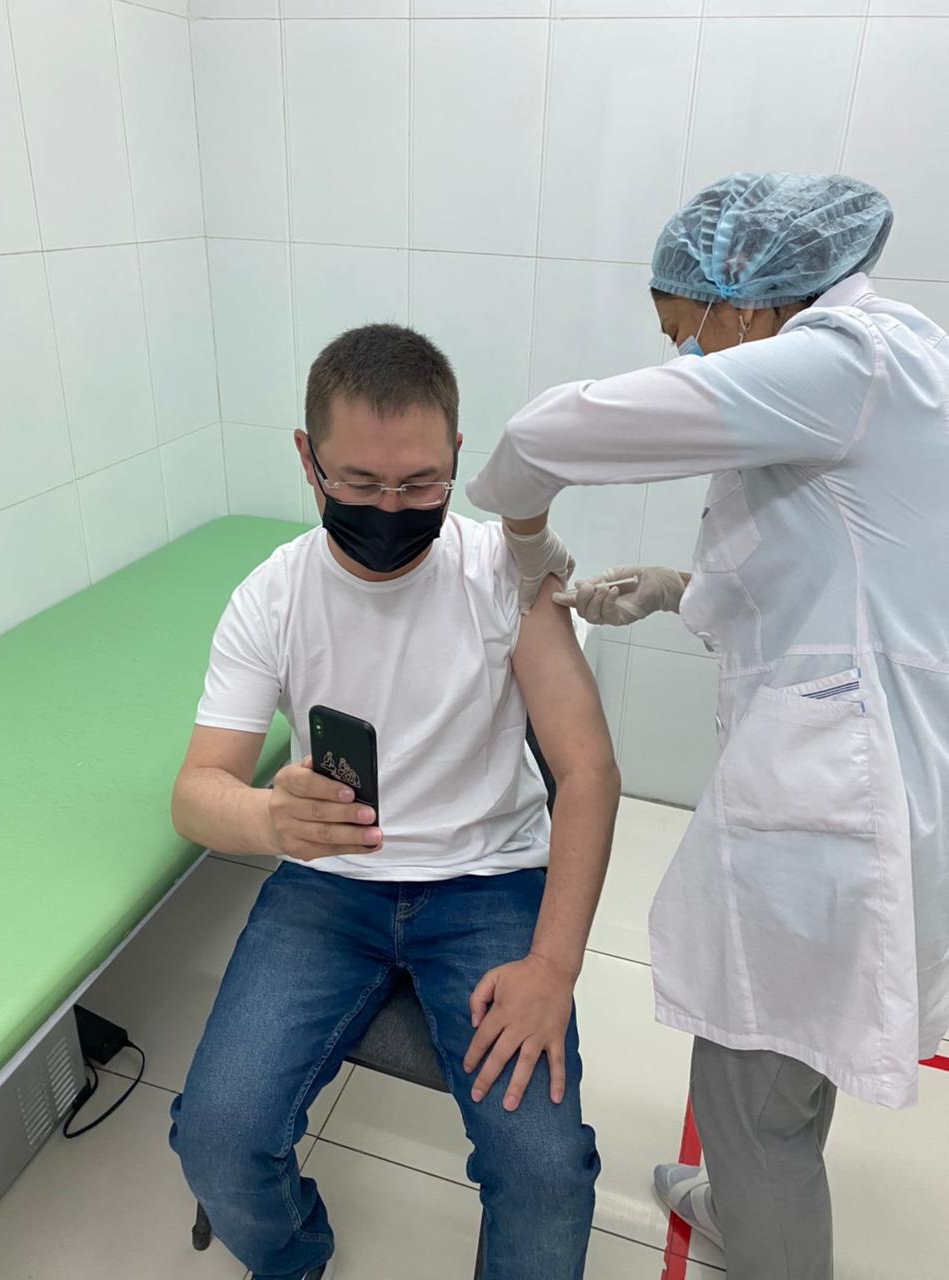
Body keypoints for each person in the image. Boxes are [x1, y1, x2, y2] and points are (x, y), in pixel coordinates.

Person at [465, 172, 949, 1280]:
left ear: (748, 298)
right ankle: (745, 1197)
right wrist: (678, 588)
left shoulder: (839, 365)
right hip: (881, 778)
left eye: (688, 332)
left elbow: (544, 433)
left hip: (836, 815)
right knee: (792, 1064)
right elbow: (847, 582)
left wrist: (526, 542)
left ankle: (759, 1218)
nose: (688, 355)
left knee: (753, 1102)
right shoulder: (901, 357)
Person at [168, 324, 621, 1280]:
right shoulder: (273, 596)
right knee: (215, 1137)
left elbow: (586, 770)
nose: (389, 509)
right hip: (329, 886)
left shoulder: (505, 574)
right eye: (361, 483)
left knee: (547, 1176)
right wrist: (269, 817)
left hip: (489, 883)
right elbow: (196, 793)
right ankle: (295, 1255)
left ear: (457, 454)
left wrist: (553, 965)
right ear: (308, 459)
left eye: (419, 484)